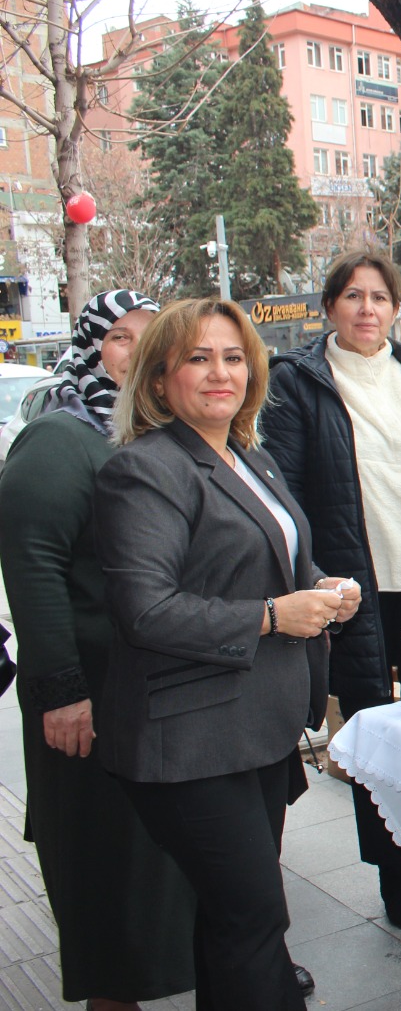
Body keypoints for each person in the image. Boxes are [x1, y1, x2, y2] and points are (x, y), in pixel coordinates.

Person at [95, 298, 361, 1011]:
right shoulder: (145, 470)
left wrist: (319, 590)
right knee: (254, 920)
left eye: (235, 356)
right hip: (187, 741)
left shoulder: (247, 456)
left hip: (252, 731)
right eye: (200, 357)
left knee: (231, 920)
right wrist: (275, 616)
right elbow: (144, 610)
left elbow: (262, 565)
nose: (222, 372)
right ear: (158, 381)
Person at [260, 250, 401, 933]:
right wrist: (316, 579)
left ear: (395, 307)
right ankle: (394, 872)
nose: (367, 309)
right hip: (360, 585)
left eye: (380, 296)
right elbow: (287, 491)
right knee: (375, 731)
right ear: (330, 307)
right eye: (352, 296)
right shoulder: (298, 381)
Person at [0, 290, 197, 1010]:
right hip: (87, 697)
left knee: (142, 863)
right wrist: (59, 689)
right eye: (120, 338)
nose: (138, 353)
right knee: (98, 866)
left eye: (153, 341)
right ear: (90, 349)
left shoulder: (148, 439)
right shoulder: (62, 436)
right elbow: (32, 561)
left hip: (143, 696)